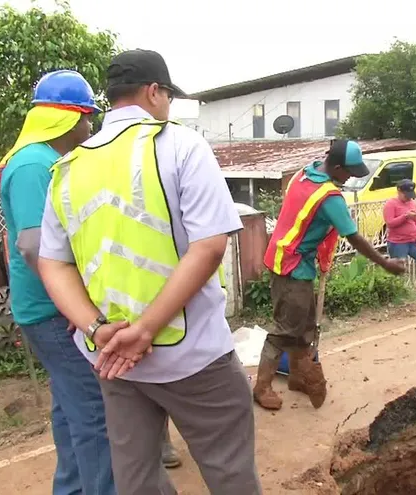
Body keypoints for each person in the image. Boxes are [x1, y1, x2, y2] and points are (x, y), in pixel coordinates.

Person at [37, 49, 260, 495]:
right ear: (154, 92)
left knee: (136, 479)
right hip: (192, 355)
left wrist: (97, 329)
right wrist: (146, 330)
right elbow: (210, 245)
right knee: (228, 469)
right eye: (168, 97)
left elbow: (52, 262)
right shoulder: (180, 144)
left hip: (112, 357)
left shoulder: (68, 168)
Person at [0, 69, 117, 495]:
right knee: (95, 414)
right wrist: (76, 307)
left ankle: (71, 489)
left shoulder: (46, 159)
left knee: (70, 410)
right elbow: (32, 246)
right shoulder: (34, 164)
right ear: (68, 118)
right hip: (52, 313)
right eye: (87, 117)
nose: (90, 126)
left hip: (47, 309)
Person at [253, 139, 407, 411]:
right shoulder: (329, 197)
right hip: (291, 266)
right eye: (348, 171)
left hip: (286, 258)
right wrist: (384, 262)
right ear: (336, 167)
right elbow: (354, 238)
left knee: (305, 324)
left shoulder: (305, 172)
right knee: (285, 329)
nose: (350, 177)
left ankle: (299, 377)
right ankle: (262, 387)